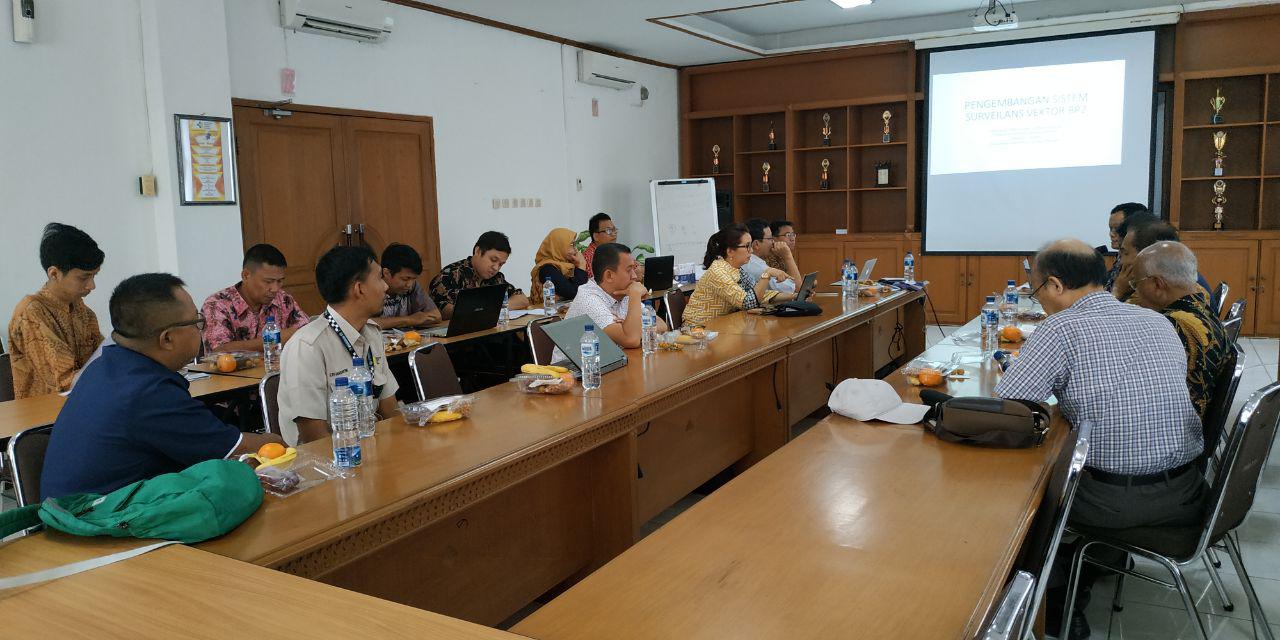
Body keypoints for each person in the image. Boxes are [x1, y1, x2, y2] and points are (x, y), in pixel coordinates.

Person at [994, 239, 1206, 639]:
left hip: (1116, 503)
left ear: (1055, 285)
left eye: (1037, 291)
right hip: (1189, 492)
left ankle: (1058, 602)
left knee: (1025, 489)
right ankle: (1101, 560)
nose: (1040, 301)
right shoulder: (1156, 320)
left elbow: (1011, 407)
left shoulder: (1060, 328)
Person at [39, 273, 282, 499]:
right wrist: (284, 444)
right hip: (101, 523)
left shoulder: (103, 368)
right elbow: (239, 450)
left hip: (77, 514)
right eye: (197, 322)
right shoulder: (148, 393)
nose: (202, 329)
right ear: (167, 338)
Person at [279, 246, 400, 445]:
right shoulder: (307, 346)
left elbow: (390, 410)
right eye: (379, 278)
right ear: (359, 289)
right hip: (332, 457)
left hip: (370, 445)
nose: (386, 286)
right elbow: (314, 438)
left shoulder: (371, 333)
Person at [1131, 241, 1229, 420]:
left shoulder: (1171, 327)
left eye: (1136, 284)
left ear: (1157, 284)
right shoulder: (1200, 301)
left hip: (1179, 429)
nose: (1135, 292)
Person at [8, 222, 105, 399]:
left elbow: (103, 357)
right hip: (46, 413)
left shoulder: (83, 310)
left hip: (83, 402)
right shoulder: (31, 314)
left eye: (94, 275)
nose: (92, 285)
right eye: (84, 277)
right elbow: (65, 383)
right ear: (54, 274)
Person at [552, 243, 669, 361]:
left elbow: (662, 325)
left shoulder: (625, 291)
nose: (634, 276)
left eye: (634, 269)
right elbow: (632, 340)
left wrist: (632, 327)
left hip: (610, 361)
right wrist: (635, 297)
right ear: (609, 275)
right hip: (576, 369)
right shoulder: (589, 299)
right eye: (629, 270)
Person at [202, 244, 310, 352]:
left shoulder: (283, 299)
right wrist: (274, 339)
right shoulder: (217, 305)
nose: (275, 288)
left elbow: (307, 331)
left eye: (280, 281)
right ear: (246, 275)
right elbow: (218, 350)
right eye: (268, 281)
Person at [683, 224, 793, 326]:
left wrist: (794, 296)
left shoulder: (736, 269)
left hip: (723, 325)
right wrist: (767, 274)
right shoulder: (718, 272)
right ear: (730, 251)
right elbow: (748, 303)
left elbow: (760, 293)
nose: (751, 250)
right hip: (698, 328)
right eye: (747, 246)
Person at [429, 231, 529, 319]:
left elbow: (522, 299)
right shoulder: (450, 275)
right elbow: (440, 310)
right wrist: (481, 309)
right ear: (478, 251)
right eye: (493, 260)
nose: (496, 268)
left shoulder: (496, 278)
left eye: (501, 264)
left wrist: (494, 308)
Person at [373, 243, 441, 329]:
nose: (409, 285)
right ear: (386, 273)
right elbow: (366, 323)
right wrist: (409, 320)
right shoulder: (372, 288)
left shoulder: (412, 287)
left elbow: (436, 316)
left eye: (414, 279)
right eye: (405, 279)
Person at [529, 228, 588, 307]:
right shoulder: (547, 269)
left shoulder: (567, 265)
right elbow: (573, 292)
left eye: (575, 244)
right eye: (571, 245)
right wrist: (581, 266)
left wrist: (577, 267)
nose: (576, 249)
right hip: (546, 313)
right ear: (558, 246)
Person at [1109, 211, 1159, 303]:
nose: (1121, 261)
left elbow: (1103, 312)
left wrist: (1117, 291)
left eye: (1125, 253)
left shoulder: (1150, 295)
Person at [742, 218, 800, 293]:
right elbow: (797, 288)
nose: (773, 242)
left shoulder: (754, 261)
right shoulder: (759, 267)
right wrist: (788, 256)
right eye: (770, 238)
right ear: (756, 244)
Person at [1103, 203, 1149, 292]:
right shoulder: (1119, 259)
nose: (1111, 234)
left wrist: (1118, 290)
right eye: (1110, 228)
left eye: (1117, 229)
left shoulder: (1142, 266)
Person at [582, 213, 618, 279]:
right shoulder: (588, 259)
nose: (614, 234)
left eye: (614, 230)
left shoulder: (614, 252)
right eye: (609, 230)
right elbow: (598, 283)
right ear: (596, 236)